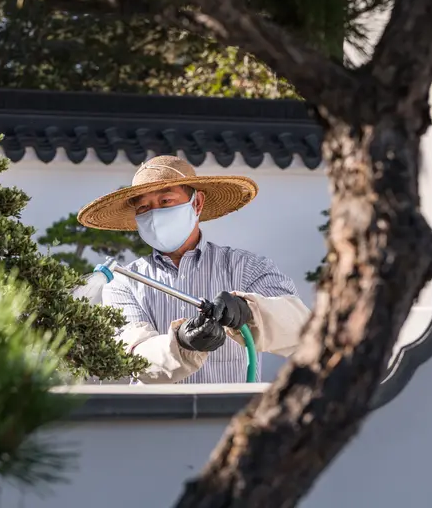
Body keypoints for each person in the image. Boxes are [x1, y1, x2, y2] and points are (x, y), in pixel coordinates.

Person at [77, 155, 311, 384]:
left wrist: (249, 310)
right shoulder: (123, 282)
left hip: (232, 415)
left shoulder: (247, 268)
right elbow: (135, 357)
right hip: (155, 419)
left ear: (197, 203)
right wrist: (180, 342)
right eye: (143, 208)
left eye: (165, 201)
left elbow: (300, 326)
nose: (154, 214)